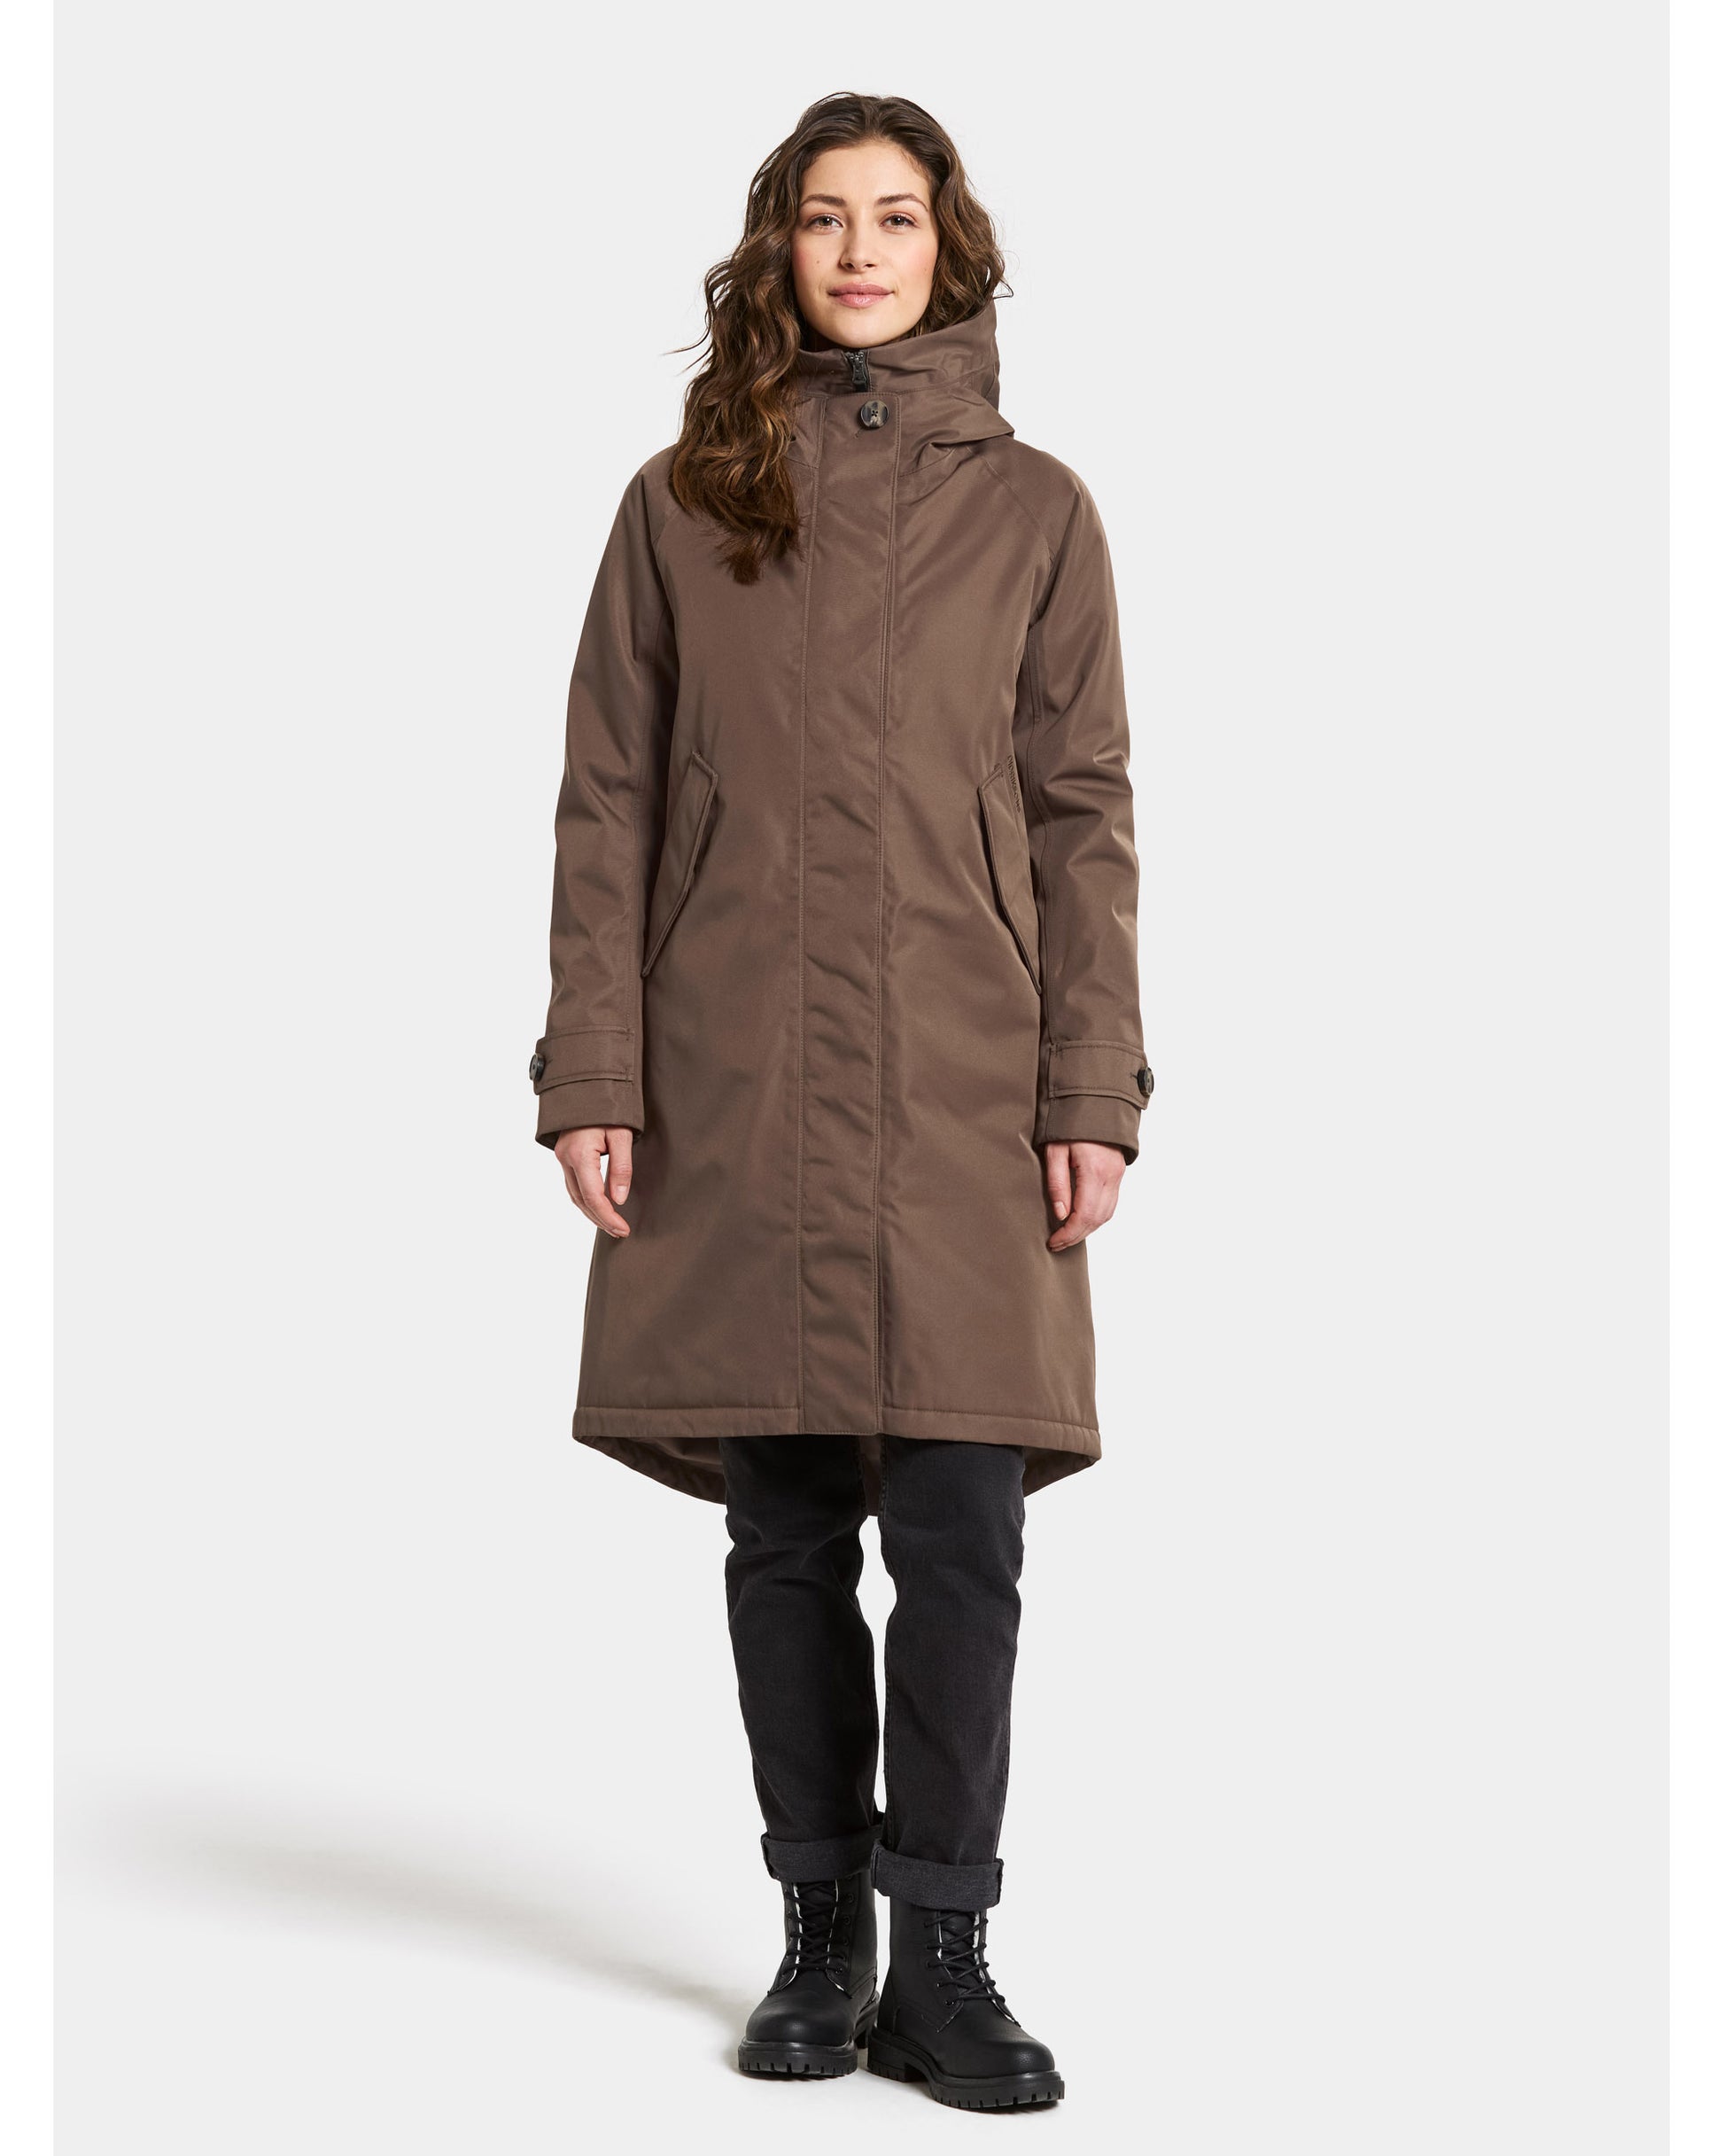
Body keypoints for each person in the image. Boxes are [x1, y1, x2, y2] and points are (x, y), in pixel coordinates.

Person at [530, 91, 1150, 2112]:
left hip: (969, 1084)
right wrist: (595, 1069)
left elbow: (1080, 816)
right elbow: (608, 802)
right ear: (777, 250)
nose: (861, 251)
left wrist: (1090, 1085)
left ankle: (945, 1955)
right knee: (784, 1530)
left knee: (964, 1531)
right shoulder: (683, 499)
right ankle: (819, 1935)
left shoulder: (1038, 511)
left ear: (949, 247)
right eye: (824, 218)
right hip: (736, 1071)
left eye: (895, 217)